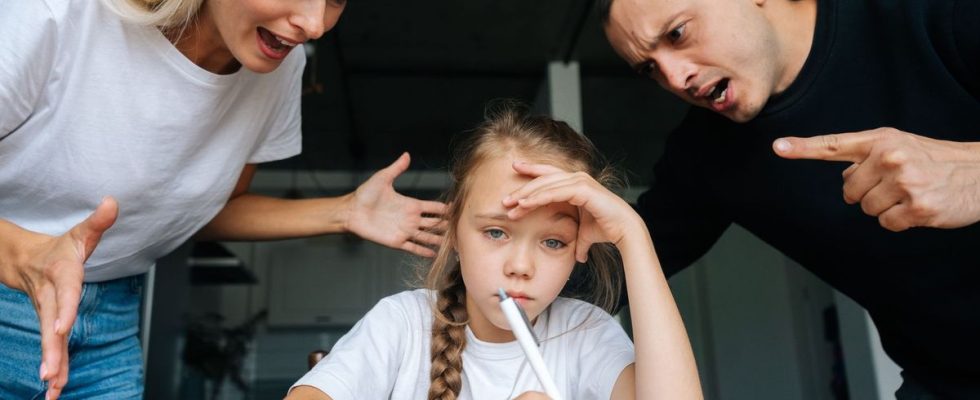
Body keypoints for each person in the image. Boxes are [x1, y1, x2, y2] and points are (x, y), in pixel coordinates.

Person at [0, 0, 447, 398]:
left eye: (334, 0)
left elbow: (210, 208)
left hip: (111, 318)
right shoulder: (55, 12)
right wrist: (23, 255)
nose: (314, 25)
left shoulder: (278, 68)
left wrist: (345, 211)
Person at [598, 0, 980, 397]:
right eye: (649, 69)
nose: (676, 79)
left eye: (677, 33)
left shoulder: (932, 12)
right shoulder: (706, 155)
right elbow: (605, 272)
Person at [285, 105, 703, 399]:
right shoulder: (403, 325)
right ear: (454, 233)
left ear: (579, 246)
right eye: (496, 232)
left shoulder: (584, 334)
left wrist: (634, 236)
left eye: (553, 242)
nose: (520, 267)